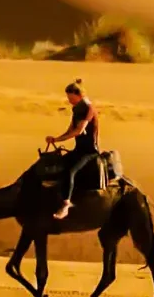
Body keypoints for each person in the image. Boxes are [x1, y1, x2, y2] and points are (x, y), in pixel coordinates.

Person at [45, 79, 100, 220]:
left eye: (71, 97)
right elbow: (70, 129)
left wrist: (58, 140)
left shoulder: (88, 108)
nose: (69, 100)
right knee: (57, 165)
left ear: (79, 95)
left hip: (89, 152)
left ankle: (65, 205)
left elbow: (79, 130)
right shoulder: (77, 108)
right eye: (68, 97)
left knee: (70, 172)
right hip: (79, 149)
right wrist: (55, 138)